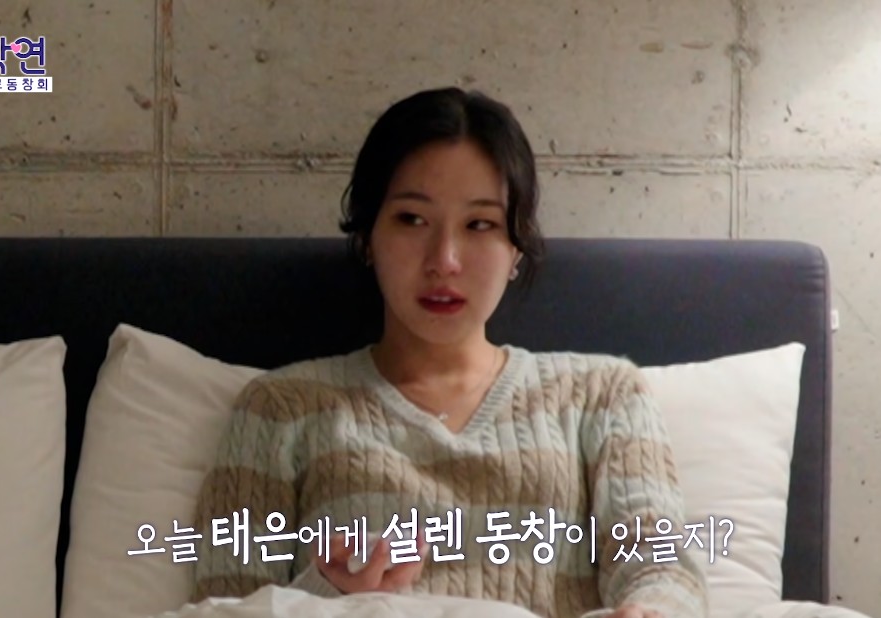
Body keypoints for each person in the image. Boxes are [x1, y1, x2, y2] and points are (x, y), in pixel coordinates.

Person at [190, 87, 707, 618]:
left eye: (480, 224)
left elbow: (660, 563)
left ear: (516, 249)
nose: (445, 260)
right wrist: (329, 592)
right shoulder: (279, 410)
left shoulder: (600, 395)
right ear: (368, 237)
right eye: (412, 220)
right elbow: (226, 604)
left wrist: (650, 611)